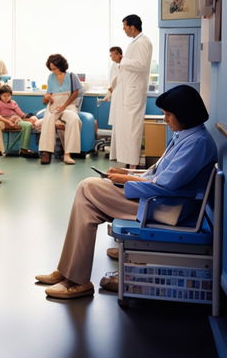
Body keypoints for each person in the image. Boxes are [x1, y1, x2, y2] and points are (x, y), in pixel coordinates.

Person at [35, 85, 217, 300]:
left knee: (87, 186)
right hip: (158, 200)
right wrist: (128, 172)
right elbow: (157, 174)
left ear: (185, 115)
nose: (166, 119)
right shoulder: (186, 136)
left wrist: (126, 180)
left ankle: (73, 277)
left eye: (168, 115)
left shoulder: (196, 143)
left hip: (166, 207)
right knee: (87, 208)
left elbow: (165, 186)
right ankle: (71, 275)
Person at [110, 14, 152, 168]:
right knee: (126, 129)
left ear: (132, 27)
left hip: (133, 93)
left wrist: (123, 61)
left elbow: (141, 64)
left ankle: (132, 165)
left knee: (132, 129)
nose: (124, 30)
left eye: (124, 27)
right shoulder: (136, 42)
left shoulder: (143, 42)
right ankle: (127, 164)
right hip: (128, 93)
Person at [38, 54, 83, 165]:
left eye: (54, 66)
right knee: (48, 119)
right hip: (54, 105)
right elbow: (48, 93)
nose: (52, 69)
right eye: (51, 67)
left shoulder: (72, 76)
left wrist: (64, 106)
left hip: (68, 105)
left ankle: (67, 154)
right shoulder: (51, 77)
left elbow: (76, 93)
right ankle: (46, 152)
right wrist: (47, 96)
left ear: (60, 65)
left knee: (74, 119)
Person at [0, 85, 39, 157]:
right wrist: (8, 121)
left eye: (9, 95)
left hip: (15, 121)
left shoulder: (13, 103)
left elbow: (21, 114)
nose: (7, 98)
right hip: (3, 121)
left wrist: (30, 118)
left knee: (28, 125)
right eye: (4, 96)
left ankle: (24, 149)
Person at [105, 46, 123, 130]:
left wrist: (109, 93)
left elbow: (115, 81)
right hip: (116, 94)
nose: (110, 56)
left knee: (120, 120)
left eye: (111, 54)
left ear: (118, 54)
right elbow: (112, 81)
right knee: (116, 121)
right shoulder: (114, 65)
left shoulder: (124, 65)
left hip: (121, 95)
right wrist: (109, 94)